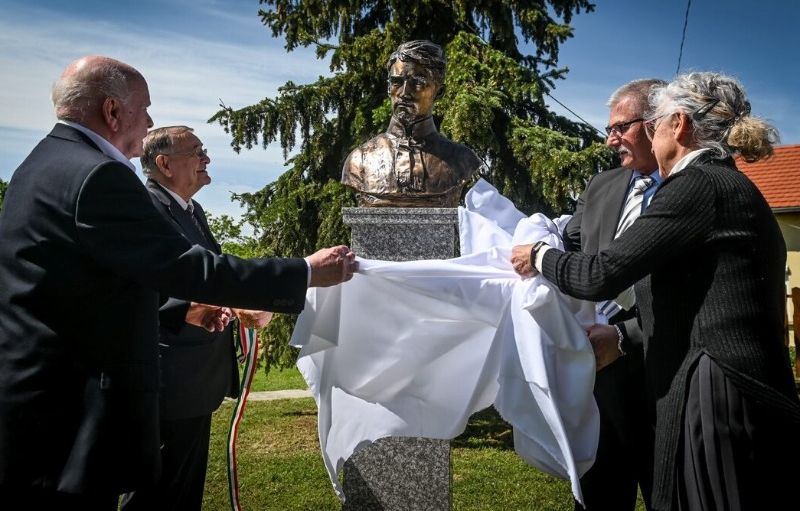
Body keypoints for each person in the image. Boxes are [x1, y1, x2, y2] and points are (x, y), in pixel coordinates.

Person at [0, 56, 357, 510]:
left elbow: (102, 281)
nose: (148, 121)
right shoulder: (98, 175)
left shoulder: (41, 162)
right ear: (112, 111)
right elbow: (187, 269)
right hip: (72, 409)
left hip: (40, 400)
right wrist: (305, 271)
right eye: (144, 108)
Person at [511, 71, 800, 510]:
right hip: (723, 386)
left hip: (716, 392)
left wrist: (536, 256)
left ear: (678, 124)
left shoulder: (698, 185)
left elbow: (601, 274)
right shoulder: (722, 183)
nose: (650, 132)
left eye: (654, 124)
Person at [119, 126, 267, 510]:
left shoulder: (190, 209)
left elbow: (206, 276)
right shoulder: (145, 207)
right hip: (171, 376)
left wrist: (238, 304)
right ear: (165, 164)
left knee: (183, 492)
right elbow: (134, 284)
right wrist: (188, 309)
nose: (207, 159)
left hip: (197, 377)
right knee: (159, 493)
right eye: (198, 152)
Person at [562, 79, 665, 511]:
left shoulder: (691, 185)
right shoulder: (602, 185)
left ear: (657, 123)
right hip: (597, 383)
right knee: (600, 497)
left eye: (621, 127)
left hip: (665, 379)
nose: (610, 139)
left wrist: (626, 339)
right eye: (610, 128)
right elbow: (567, 248)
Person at [341, 40, 480, 207]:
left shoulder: (461, 160)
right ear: (388, 87)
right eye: (397, 82)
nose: (404, 93)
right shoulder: (360, 160)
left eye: (417, 82)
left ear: (439, 92)